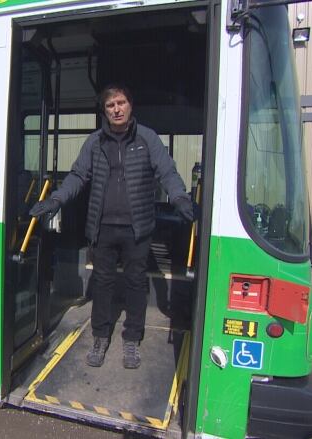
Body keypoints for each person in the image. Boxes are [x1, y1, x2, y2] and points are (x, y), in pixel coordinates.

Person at [29, 84, 194, 369]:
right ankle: (100, 337)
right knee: (102, 284)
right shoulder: (95, 142)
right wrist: (56, 200)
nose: (116, 109)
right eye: (110, 105)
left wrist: (179, 197)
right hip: (102, 227)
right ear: (104, 111)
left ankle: (132, 339)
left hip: (137, 229)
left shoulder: (148, 139)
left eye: (121, 103)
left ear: (130, 106)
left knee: (135, 283)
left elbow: (166, 171)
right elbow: (78, 175)